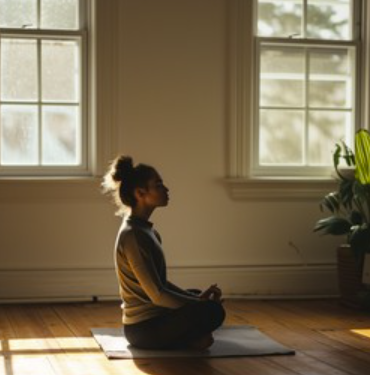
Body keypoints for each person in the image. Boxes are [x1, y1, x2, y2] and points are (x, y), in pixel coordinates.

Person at [102, 155, 225, 350]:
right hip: (143, 330)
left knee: (196, 295)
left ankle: (195, 336)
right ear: (140, 193)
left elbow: (160, 282)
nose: (166, 189)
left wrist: (196, 299)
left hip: (156, 318)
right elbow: (158, 295)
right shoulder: (134, 235)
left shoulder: (145, 230)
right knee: (213, 311)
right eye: (158, 185)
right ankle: (196, 339)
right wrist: (199, 306)